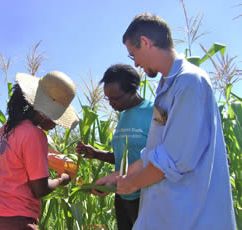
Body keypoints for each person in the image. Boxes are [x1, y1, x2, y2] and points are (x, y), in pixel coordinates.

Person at [95, 13, 237, 229]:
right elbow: (155, 152)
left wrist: (131, 184)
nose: (137, 64)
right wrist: (119, 177)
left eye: (134, 55)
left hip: (190, 216)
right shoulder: (166, 87)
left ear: (145, 42)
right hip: (167, 215)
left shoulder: (189, 82)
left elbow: (173, 158)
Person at [0, 71, 79, 230]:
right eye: (57, 118)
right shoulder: (35, 135)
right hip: (12, 220)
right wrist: (61, 179)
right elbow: (40, 189)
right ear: (45, 113)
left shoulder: (8, 127)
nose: (56, 124)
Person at [76, 64, 153, 230]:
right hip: (123, 197)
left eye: (115, 98)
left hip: (146, 199)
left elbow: (160, 158)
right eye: (107, 98)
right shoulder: (123, 115)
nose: (110, 103)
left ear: (132, 91)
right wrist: (96, 153)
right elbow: (122, 158)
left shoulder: (154, 113)